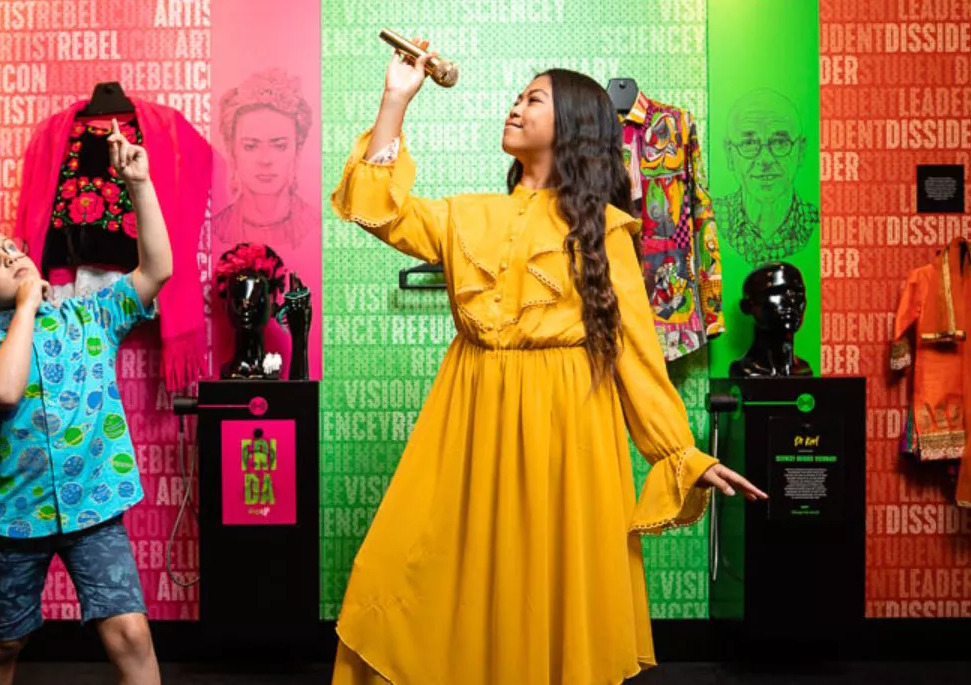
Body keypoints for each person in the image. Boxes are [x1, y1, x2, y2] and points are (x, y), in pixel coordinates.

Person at [327, 42, 768, 685]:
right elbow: (381, 210)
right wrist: (396, 97)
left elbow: (638, 357)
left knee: (545, 586)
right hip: (469, 420)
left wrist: (681, 455)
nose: (516, 105)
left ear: (574, 127)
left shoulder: (605, 233)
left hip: (567, 429)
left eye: (533, 98)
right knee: (408, 565)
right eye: (518, 96)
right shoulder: (468, 215)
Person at [0, 120, 168, 685]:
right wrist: (24, 306)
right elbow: (3, 391)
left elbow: (156, 271)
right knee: (5, 641)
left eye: (8, 248)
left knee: (131, 633)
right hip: (15, 519)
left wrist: (139, 183)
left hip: (94, 506)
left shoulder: (90, 315)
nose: (9, 257)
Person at [213, 68, 317, 252]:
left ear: (297, 151)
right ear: (232, 152)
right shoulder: (214, 231)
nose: (266, 160)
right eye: (251, 146)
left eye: (279, 146)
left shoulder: (316, 229)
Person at [717, 89, 819, 266]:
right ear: (729, 154)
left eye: (780, 142)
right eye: (748, 143)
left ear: (800, 151)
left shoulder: (817, 225)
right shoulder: (711, 220)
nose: (765, 160)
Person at [729, 262, 814, 378]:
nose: (791, 301)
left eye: (798, 293)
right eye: (776, 292)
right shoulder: (744, 371)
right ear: (747, 306)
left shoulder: (804, 370)